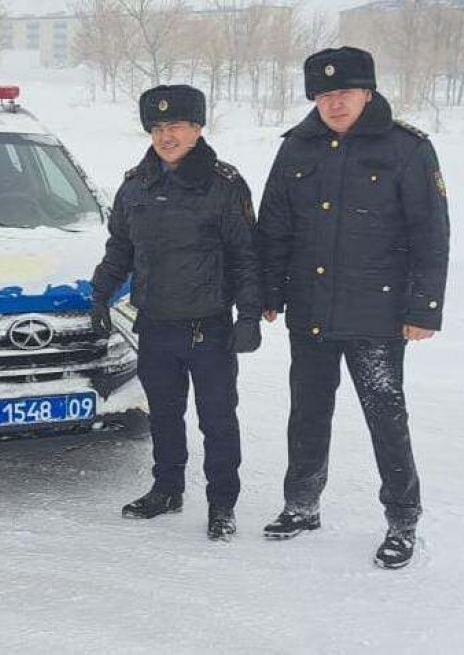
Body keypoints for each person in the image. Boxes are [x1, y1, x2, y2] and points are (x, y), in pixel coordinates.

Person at [257, 47, 450, 569]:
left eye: (344, 92)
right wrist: (269, 292)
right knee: (307, 413)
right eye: (323, 94)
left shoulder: (406, 148)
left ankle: (402, 520)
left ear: (368, 91)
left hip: (378, 315)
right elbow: (274, 224)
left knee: (386, 417)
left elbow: (430, 233)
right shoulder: (297, 147)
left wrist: (424, 308)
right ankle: (301, 505)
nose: (334, 102)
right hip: (311, 311)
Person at [90, 85, 263, 541]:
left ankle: (222, 503)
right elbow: (120, 248)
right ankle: (167, 490)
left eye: (177, 126)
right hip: (155, 324)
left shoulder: (224, 185)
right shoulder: (135, 185)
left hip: (208, 328)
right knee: (164, 415)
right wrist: (100, 293)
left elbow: (247, 255)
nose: (167, 136)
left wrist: (248, 316)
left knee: (217, 419)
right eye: (158, 128)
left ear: (197, 128)